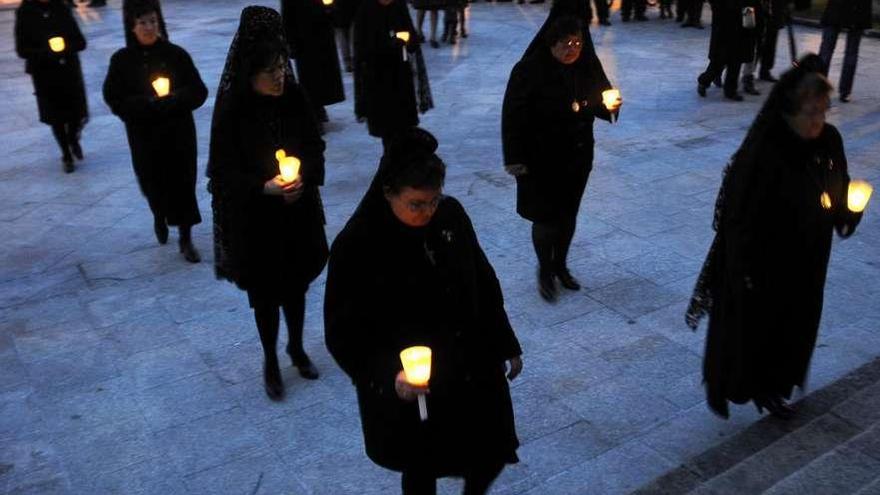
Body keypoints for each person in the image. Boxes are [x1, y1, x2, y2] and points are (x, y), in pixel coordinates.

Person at [325, 127, 523, 495]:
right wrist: (389, 377)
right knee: (422, 465)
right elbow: (343, 333)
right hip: (414, 385)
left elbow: (482, 279)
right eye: (416, 204)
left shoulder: (451, 216)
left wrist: (505, 340)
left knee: (488, 454)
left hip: (470, 367)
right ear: (388, 193)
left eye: (434, 200)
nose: (428, 211)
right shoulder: (357, 245)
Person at [686, 55, 865, 420]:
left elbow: (840, 196)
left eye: (823, 111)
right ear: (789, 109)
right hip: (765, 263)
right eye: (810, 112)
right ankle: (760, 388)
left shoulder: (828, 141)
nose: (818, 121)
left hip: (810, 258)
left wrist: (852, 210)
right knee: (762, 329)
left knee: (797, 326)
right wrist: (745, 270)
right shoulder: (765, 151)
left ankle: (778, 385)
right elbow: (737, 218)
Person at [207, 6, 328, 401]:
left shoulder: (293, 96)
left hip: (297, 213)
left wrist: (303, 177)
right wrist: (264, 187)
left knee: (295, 286)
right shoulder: (233, 111)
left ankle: (295, 346)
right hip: (256, 220)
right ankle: (271, 359)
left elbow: (313, 145)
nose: (279, 76)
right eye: (270, 71)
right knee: (264, 295)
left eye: (281, 67)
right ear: (249, 73)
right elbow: (221, 171)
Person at [502, 12, 621, 302]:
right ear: (551, 44)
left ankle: (561, 265)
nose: (572, 50)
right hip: (539, 160)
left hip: (576, 156)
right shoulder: (528, 70)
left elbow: (597, 103)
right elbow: (512, 116)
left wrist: (610, 104)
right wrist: (514, 157)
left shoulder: (585, 68)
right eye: (565, 44)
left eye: (578, 43)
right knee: (545, 218)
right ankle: (544, 269)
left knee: (568, 214)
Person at [103, 0, 207, 262]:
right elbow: (114, 97)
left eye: (153, 22)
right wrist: (144, 104)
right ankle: (158, 214)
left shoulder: (176, 54)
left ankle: (186, 238)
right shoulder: (122, 60)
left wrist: (176, 98)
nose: (149, 27)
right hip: (144, 135)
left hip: (178, 132)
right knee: (152, 182)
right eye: (143, 23)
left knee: (183, 183)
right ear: (132, 26)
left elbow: (198, 90)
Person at [14, 0, 88, 173]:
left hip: (68, 69)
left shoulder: (61, 8)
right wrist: (45, 51)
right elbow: (21, 49)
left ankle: (73, 138)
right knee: (56, 116)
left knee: (76, 113)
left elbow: (80, 42)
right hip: (44, 72)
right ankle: (66, 154)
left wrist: (65, 48)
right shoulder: (26, 12)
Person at [353, 0, 433, 148]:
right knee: (387, 130)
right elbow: (361, 48)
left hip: (400, 76)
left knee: (403, 127)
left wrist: (406, 41)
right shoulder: (366, 9)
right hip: (377, 78)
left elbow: (412, 39)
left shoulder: (398, 6)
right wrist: (387, 45)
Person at [281, 0, 345, 125]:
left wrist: (330, 10)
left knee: (323, 74)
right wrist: (290, 40)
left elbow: (333, 10)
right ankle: (313, 110)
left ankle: (319, 107)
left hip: (322, 35)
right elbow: (288, 14)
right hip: (304, 38)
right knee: (309, 77)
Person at [697, 0, 759, 101]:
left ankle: (730, 90)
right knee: (719, 60)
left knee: (736, 59)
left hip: (741, 23)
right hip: (724, 24)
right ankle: (704, 81)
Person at [818, 0, 872, 103]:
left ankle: (822, 89)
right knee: (848, 52)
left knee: (827, 50)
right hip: (856, 9)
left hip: (844, 9)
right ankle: (844, 91)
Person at [332, 0, 362, 72]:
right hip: (349, 12)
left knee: (344, 37)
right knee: (350, 37)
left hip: (340, 12)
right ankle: (351, 61)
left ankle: (348, 62)